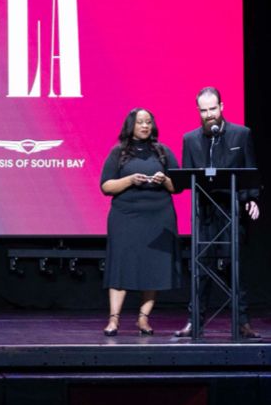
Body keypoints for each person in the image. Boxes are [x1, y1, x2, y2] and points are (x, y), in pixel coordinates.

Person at [177, 86, 261, 339]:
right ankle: (195, 322)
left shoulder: (241, 134)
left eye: (213, 108)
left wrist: (252, 199)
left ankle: (242, 322)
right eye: (204, 110)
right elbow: (187, 178)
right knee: (200, 270)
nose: (209, 114)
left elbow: (251, 171)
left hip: (231, 211)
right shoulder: (190, 139)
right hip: (205, 212)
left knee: (233, 268)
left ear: (222, 107)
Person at [99, 108, 181, 336]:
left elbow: (178, 187)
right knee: (121, 266)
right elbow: (106, 186)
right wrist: (128, 180)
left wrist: (164, 179)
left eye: (148, 122)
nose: (145, 126)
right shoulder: (119, 152)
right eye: (140, 122)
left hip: (158, 215)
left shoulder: (163, 152)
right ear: (131, 126)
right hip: (126, 217)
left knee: (153, 267)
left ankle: (143, 319)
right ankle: (114, 320)